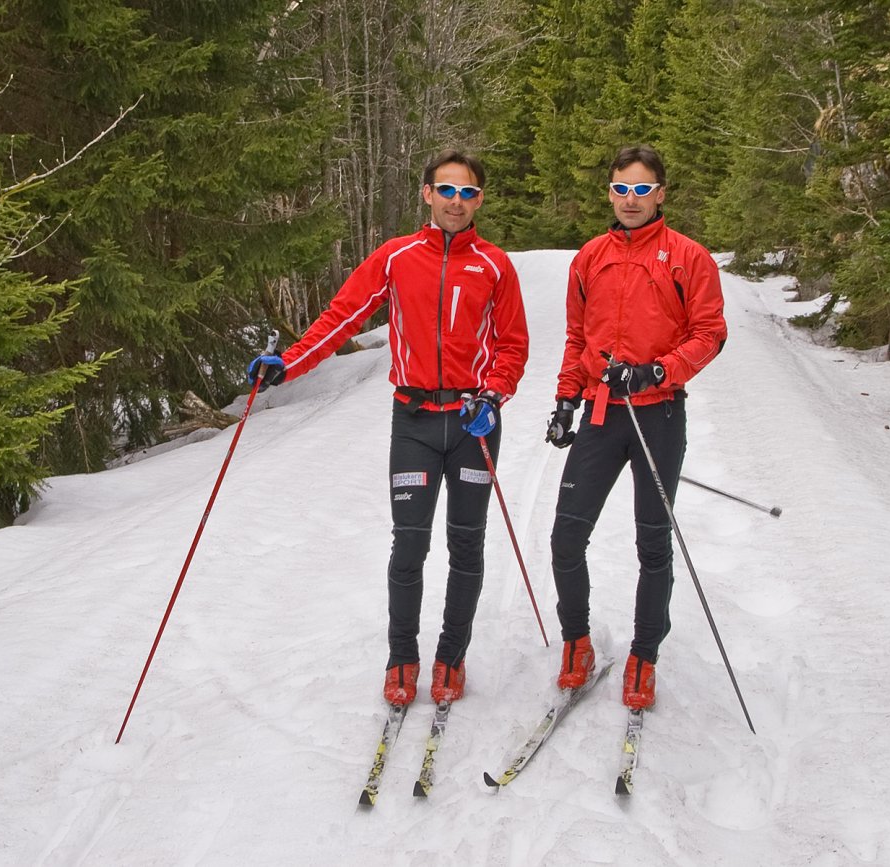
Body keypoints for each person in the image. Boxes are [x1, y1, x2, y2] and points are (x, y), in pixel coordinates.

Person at [247, 150, 529, 707]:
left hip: (474, 423)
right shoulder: (397, 256)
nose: (456, 202)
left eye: (468, 193)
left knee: (467, 546)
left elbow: (513, 346)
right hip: (415, 422)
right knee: (409, 546)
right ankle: (402, 657)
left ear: (480, 201)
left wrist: (493, 396)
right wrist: (289, 363)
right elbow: (342, 318)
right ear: (426, 194)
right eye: (446, 191)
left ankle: (452, 656)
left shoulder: (494, 265)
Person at [544, 144, 727, 710]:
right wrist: (565, 399)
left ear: (661, 193)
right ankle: (577, 640)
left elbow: (710, 333)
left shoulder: (688, 258)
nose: (631, 199)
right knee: (566, 537)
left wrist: (656, 370)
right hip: (601, 414)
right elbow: (579, 339)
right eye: (621, 188)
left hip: (659, 415)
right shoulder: (590, 258)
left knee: (654, 542)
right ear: (610, 192)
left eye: (642, 189)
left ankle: (644, 655)